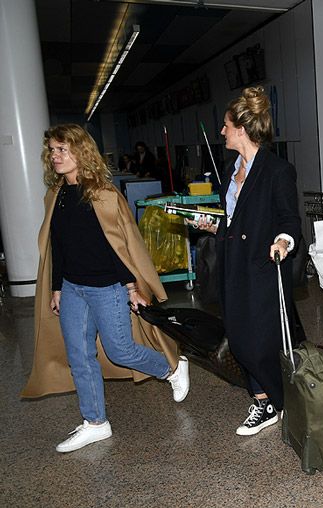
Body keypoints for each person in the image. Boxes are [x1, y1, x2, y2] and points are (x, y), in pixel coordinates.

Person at [21, 124, 189, 452]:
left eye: (61, 150)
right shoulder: (56, 194)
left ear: (80, 152)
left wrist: (131, 287)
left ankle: (170, 368)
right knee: (78, 354)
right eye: (52, 151)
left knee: (119, 349)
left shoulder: (103, 194)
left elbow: (118, 245)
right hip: (72, 288)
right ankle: (96, 422)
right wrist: (57, 287)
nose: (55, 156)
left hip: (106, 287)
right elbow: (59, 244)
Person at [192, 86, 301, 436]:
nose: (222, 131)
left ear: (241, 128)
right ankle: (262, 401)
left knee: (255, 344)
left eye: (225, 125)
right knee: (238, 340)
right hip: (231, 263)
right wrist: (211, 223)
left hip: (260, 266)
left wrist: (284, 241)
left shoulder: (277, 170)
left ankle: (286, 401)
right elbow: (233, 218)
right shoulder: (231, 169)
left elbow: (289, 220)